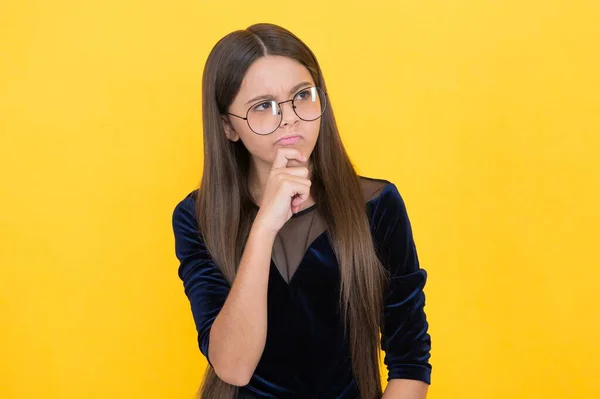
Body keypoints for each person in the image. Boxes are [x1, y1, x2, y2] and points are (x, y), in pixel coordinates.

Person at [172, 23, 432, 399]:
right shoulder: (198, 218)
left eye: (302, 96)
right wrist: (264, 227)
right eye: (263, 106)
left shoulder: (377, 206)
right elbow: (232, 366)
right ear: (228, 126)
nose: (291, 117)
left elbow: (410, 361)